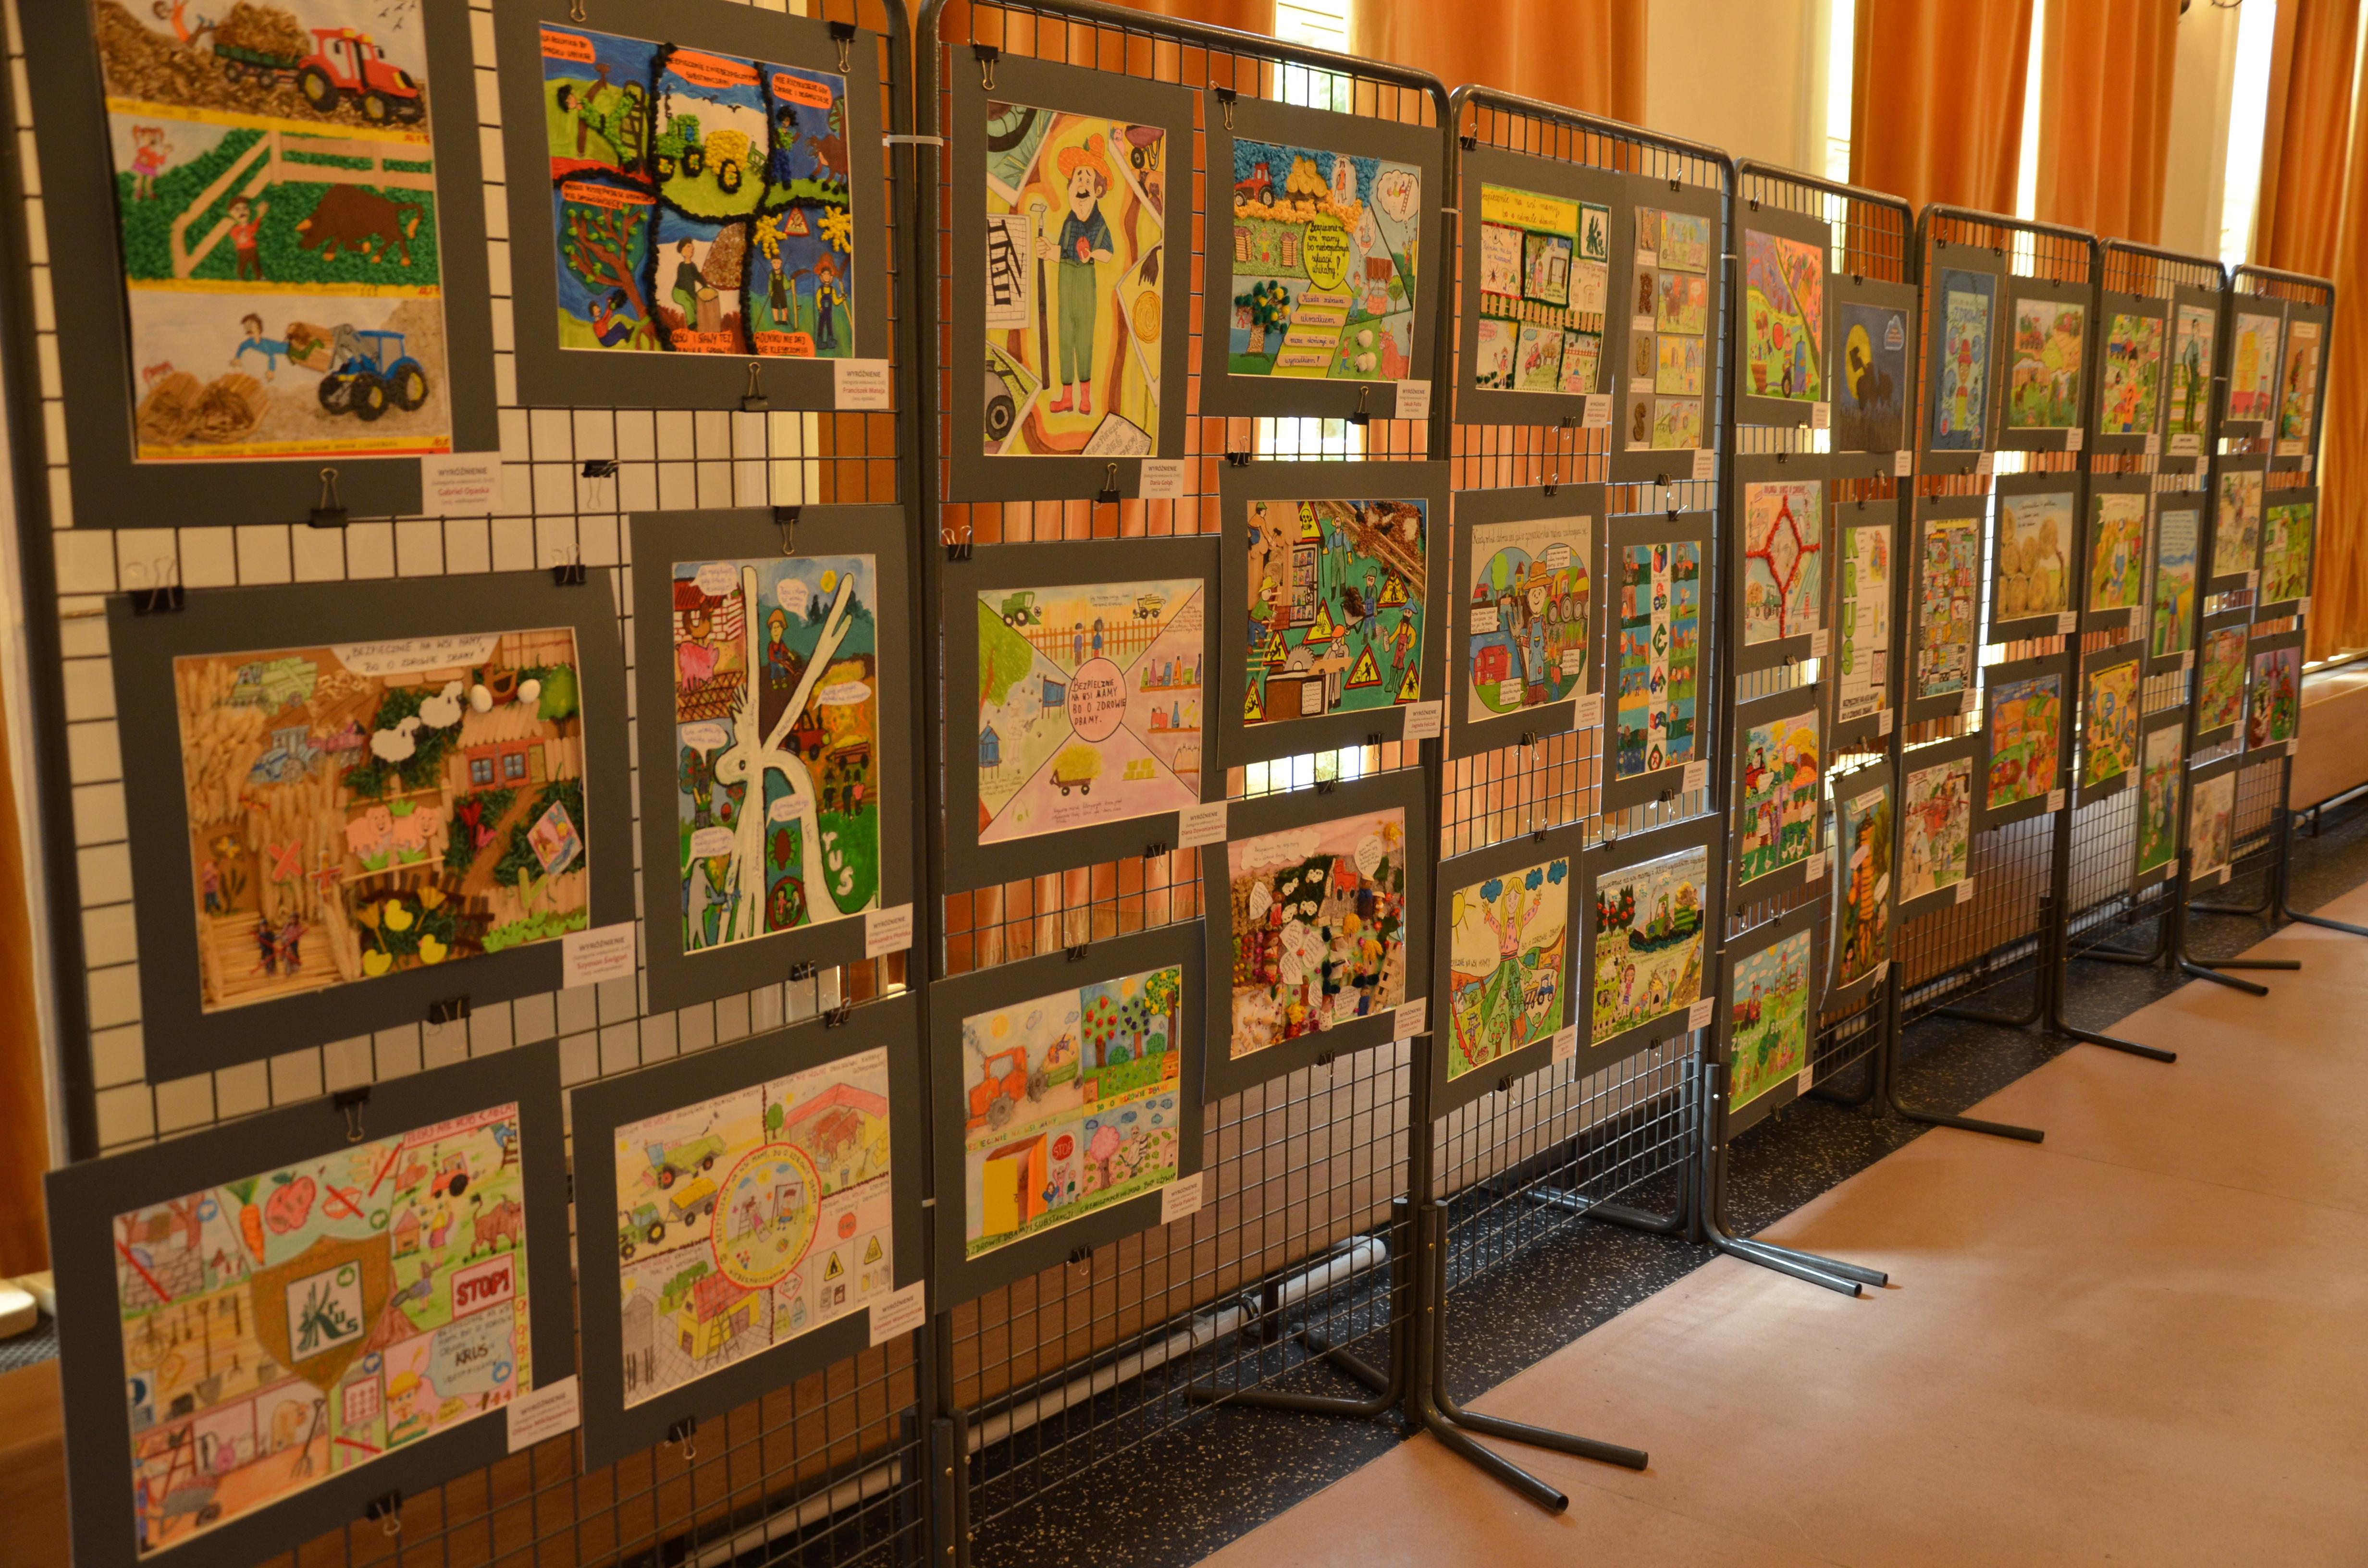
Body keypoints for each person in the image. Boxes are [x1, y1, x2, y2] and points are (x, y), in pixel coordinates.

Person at [1038, 138, 1115, 417]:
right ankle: (1067, 397)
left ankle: (1085, 399)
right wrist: (1049, 251)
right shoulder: (1070, 221)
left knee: (1083, 339)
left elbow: (1109, 253)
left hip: (1084, 281)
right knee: (1065, 336)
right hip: (1065, 279)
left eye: (1087, 180)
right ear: (1070, 187)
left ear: (1097, 190)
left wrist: (1091, 254)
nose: (1081, 185)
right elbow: (1064, 250)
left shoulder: (1099, 223)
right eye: (1077, 179)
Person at [233, 312, 288, 379]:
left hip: (286, 348)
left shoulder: (264, 344)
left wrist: (271, 370)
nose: (248, 328)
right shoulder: (250, 342)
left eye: (251, 325)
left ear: (259, 328)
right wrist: (237, 357)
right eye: (246, 326)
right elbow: (242, 347)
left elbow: (271, 357)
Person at [227, 196, 262, 282]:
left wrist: (260, 215)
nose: (242, 212)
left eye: (245, 208)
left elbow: (256, 226)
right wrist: (240, 238)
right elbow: (237, 237)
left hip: (252, 248)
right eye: (237, 210)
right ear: (231, 213)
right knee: (242, 264)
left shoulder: (250, 227)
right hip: (242, 250)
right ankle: (240, 277)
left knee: (256, 263)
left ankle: (260, 277)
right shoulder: (235, 230)